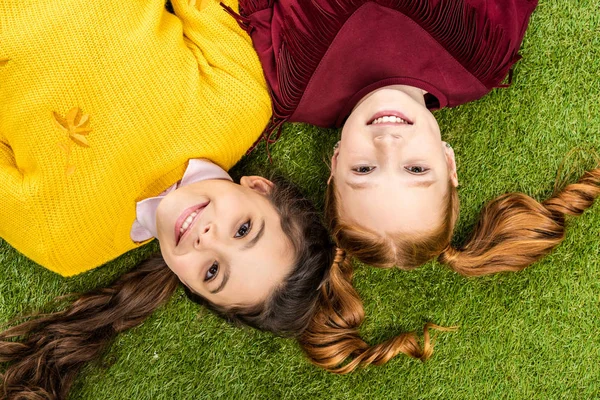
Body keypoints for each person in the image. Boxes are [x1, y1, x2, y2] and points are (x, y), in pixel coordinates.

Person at [0, 0, 442, 398]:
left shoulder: (66, 242)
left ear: (190, 288)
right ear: (258, 188)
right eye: (244, 229)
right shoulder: (238, 102)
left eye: (213, 271)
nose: (208, 237)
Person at [228, 0, 600, 276]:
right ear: (449, 162)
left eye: (363, 169)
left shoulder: (294, 87)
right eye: (416, 168)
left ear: (337, 161)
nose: (388, 144)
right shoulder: (478, 57)